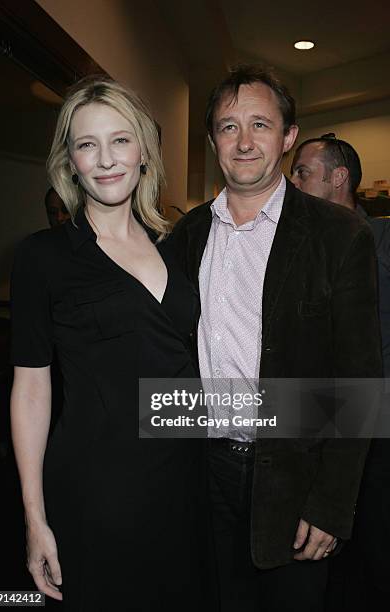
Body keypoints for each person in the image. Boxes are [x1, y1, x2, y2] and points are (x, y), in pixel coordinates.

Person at [169, 65, 382, 611]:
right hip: (201, 475)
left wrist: (332, 504)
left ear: (287, 138)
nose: (243, 142)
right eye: (228, 126)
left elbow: (360, 380)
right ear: (212, 139)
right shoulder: (183, 237)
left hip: (296, 481)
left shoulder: (339, 236)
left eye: (260, 125)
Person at [10, 76, 213, 611]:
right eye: (86, 144)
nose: (105, 159)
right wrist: (34, 519)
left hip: (188, 486)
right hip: (98, 490)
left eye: (120, 140)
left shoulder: (181, 246)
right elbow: (31, 387)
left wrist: (331, 417)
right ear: (70, 161)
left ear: (143, 148)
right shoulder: (42, 257)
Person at [292, 134, 390, 609]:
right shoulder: (301, 250)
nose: (293, 182)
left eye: (303, 172)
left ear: (339, 178)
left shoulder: (382, 244)